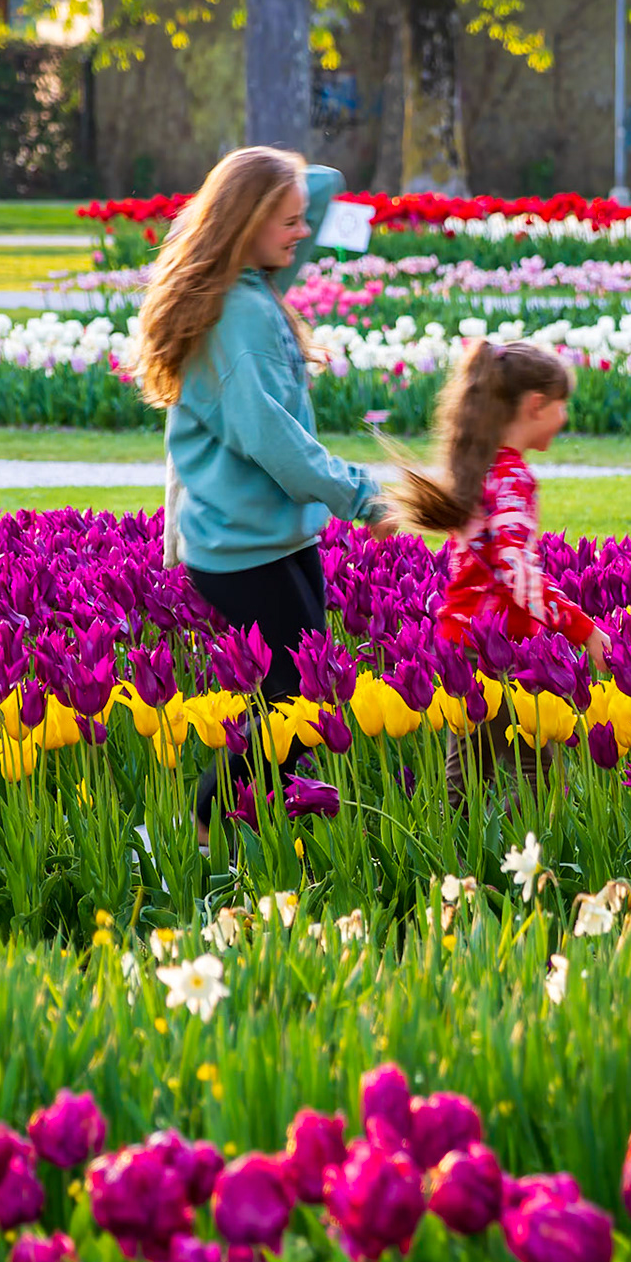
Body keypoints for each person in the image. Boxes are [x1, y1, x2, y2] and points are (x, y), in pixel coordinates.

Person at [124, 145, 396, 842]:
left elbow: (326, 187)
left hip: (270, 536)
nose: (303, 232)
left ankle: (254, 833)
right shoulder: (238, 320)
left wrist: (275, 183)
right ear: (246, 225)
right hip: (242, 547)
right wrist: (361, 495)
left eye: (303, 218)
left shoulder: (244, 281)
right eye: (288, 221)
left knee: (300, 697)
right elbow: (275, 445)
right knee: (291, 705)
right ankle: (209, 831)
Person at [388, 339, 609, 807]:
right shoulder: (510, 478)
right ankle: (530, 854)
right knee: (538, 775)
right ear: (536, 405)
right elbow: (515, 570)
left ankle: (458, 862)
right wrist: (580, 626)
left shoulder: (478, 468)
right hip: (498, 649)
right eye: (561, 407)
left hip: (462, 642)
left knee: (468, 771)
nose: (565, 418)